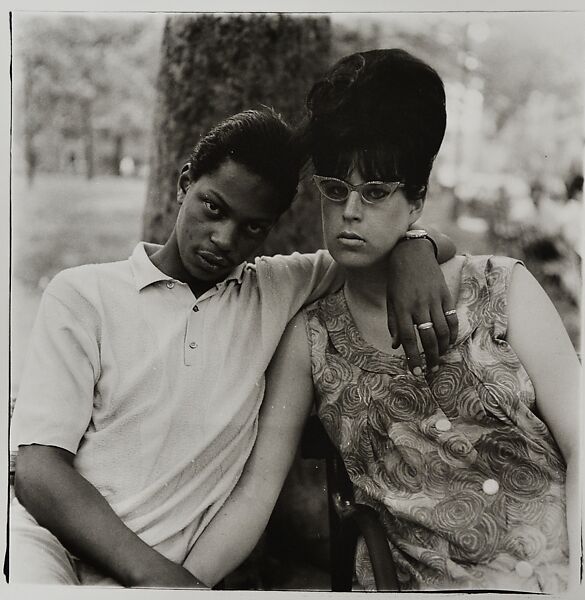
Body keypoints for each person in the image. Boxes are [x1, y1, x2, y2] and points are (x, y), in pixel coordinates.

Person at [183, 51, 579, 593]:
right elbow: (256, 494)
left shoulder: (501, 287)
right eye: (335, 190)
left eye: (375, 193)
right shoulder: (312, 337)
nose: (350, 212)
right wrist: (167, 587)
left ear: (416, 200)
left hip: (566, 565)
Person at [9, 108, 457, 586]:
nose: (223, 239)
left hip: (164, 575)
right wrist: (161, 580)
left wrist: (418, 245)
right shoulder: (84, 294)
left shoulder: (276, 288)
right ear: (185, 182)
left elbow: (382, 247)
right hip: (49, 549)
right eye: (213, 208)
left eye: (253, 227)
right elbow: (38, 469)